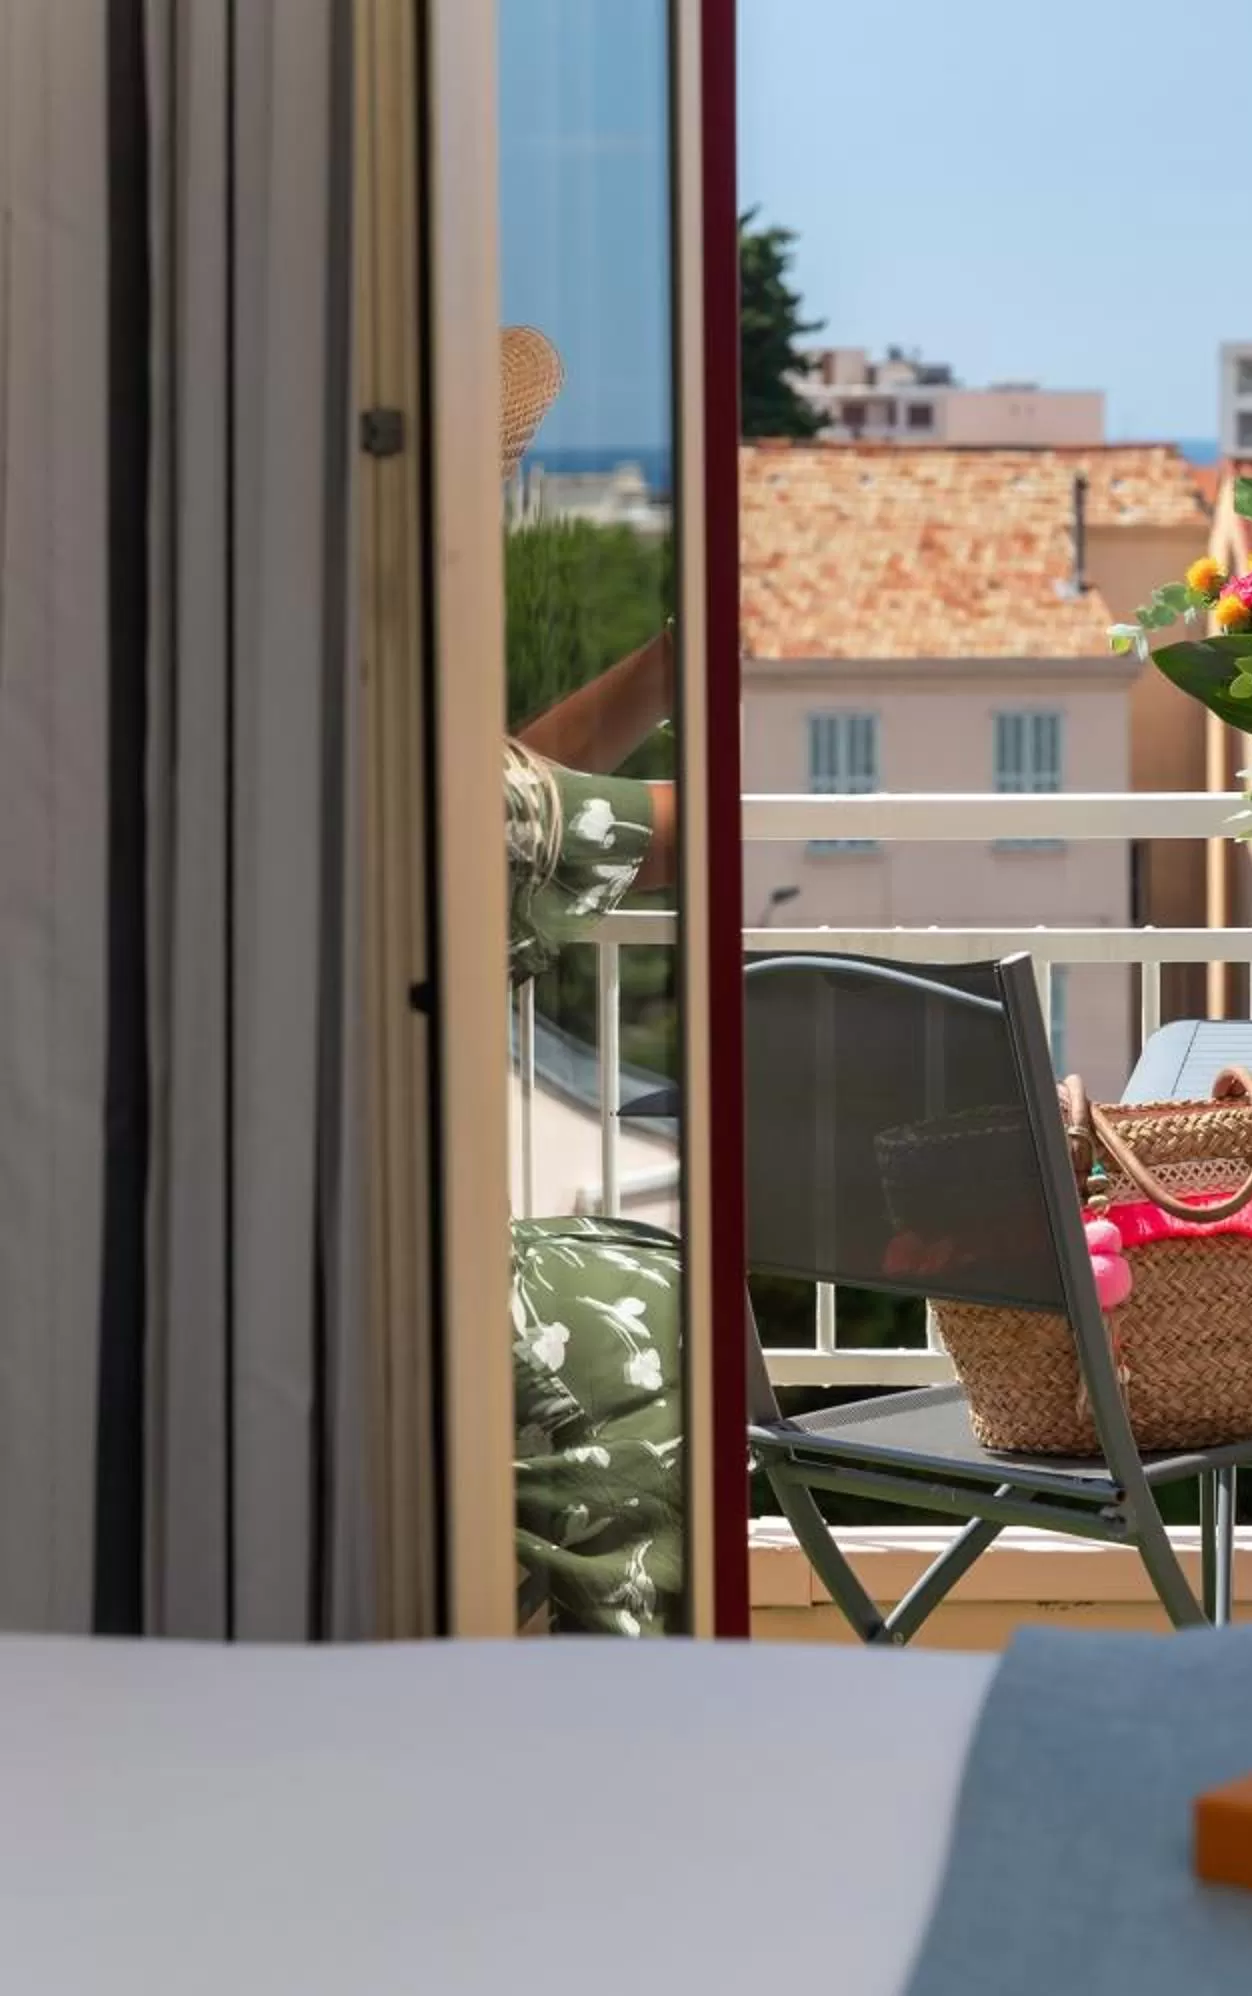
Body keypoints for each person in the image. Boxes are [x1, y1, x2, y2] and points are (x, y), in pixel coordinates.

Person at [499, 325, 687, 1636]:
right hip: (380, 1271)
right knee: (644, 1313)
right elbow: (570, 817)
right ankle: (610, 1713)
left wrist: (673, 664)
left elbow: (520, 785)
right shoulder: (384, 742)